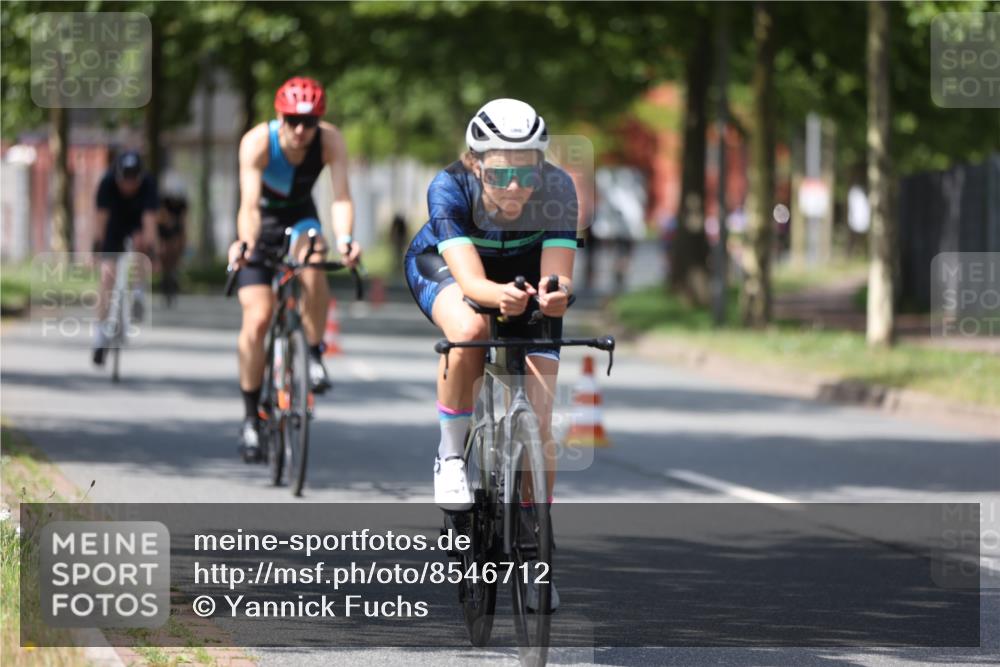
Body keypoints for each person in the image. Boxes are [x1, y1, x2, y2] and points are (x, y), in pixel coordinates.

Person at [405, 98, 577, 512]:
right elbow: (472, 283)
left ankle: (536, 543)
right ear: (475, 164)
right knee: (469, 332)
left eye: (526, 173)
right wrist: (501, 298)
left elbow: (560, 275)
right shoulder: (448, 187)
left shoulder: (558, 187)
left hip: (524, 273)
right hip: (447, 267)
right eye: (500, 174)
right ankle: (449, 457)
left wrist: (556, 296)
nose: (515, 187)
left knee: (541, 420)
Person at [228, 76, 361, 461]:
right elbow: (250, 204)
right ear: (279, 117)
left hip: (301, 219)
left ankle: (313, 352)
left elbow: (341, 196)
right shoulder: (256, 142)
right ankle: (252, 418)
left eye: (310, 122)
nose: (301, 130)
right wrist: (247, 243)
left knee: (315, 259)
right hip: (261, 225)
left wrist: (347, 238)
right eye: (292, 121)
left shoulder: (330, 140)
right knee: (257, 318)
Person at [92, 150, 159, 365]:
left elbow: (150, 223)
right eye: (125, 181)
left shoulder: (148, 185)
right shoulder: (107, 184)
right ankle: (100, 336)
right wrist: (97, 251)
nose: (129, 186)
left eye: (133, 181)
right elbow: (100, 222)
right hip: (114, 227)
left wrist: (152, 254)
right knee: (107, 277)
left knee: (141, 247)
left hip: (137, 225)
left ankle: (138, 293)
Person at [157, 175, 188, 307]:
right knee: (165, 258)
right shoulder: (163, 201)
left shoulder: (182, 203)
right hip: (163, 232)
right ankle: (165, 283)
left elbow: (184, 222)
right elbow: (160, 218)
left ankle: (173, 280)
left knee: (174, 257)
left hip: (176, 231)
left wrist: (182, 242)